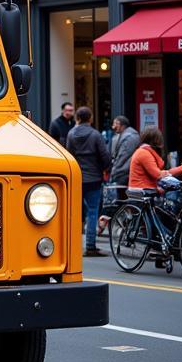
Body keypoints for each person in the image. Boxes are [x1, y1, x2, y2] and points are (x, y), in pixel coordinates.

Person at [64, 106, 111, 256]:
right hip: (94, 178)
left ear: (77, 118)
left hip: (77, 178)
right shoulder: (95, 135)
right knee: (92, 211)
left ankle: (71, 246)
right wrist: (105, 168)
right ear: (90, 118)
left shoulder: (71, 134)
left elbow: (68, 155)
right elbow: (105, 156)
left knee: (74, 212)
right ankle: (90, 245)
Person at [129, 127, 182, 191]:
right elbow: (158, 175)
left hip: (142, 190)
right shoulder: (143, 153)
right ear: (156, 140)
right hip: (143, 191)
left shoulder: (143, 151)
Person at [109, 115, 140, 200]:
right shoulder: (123, 135)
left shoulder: (129, 137)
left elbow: (123, 156)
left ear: (122, 125)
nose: (113, 126)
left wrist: (114, 172)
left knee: (122, 198)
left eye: (116, 123)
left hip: (124, 173)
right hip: (124, 171)